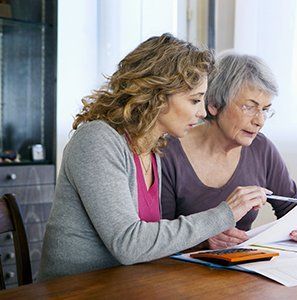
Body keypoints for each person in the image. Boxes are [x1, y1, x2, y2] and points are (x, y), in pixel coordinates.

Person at [38, 34, 268, 281]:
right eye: (194, 100)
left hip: (127, 286)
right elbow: (129, 244)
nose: (202, 112)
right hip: (74, 291)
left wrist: (205, 237)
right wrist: (225, 214)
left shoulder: (154, 148)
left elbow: (151, 239)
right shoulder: (97, 140)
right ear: (158, 95)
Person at [161, 52, 297, 250]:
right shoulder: (167, 153)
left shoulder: (261, 148)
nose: (259, 121)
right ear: (214, 105)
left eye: (265, 109)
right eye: (249, 107)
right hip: (177, 274)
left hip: (240, 271)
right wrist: (204, 239)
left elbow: (291, 207)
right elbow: (157, 235)